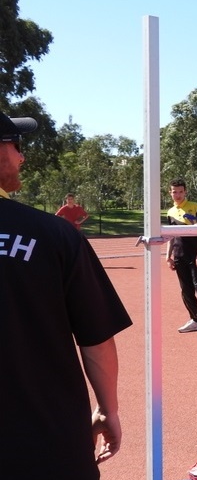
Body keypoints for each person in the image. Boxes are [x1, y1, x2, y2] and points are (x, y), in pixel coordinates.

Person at [0, 110, 133, 479]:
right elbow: (96, 339)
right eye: (15, 145)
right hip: (46, 441)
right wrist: (108, 408)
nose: (21, 156)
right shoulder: (53, 235)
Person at [166, 178, 197, 335]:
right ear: (170, 193)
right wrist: (168, 256)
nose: (178, 194)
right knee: (186, 290)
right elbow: (170, 236)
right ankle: (195, 320)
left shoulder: (195, 207)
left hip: (194, 255)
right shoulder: (170, 212)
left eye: (181, 191)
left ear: (185, 191)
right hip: (179, 256)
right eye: (175, 192)